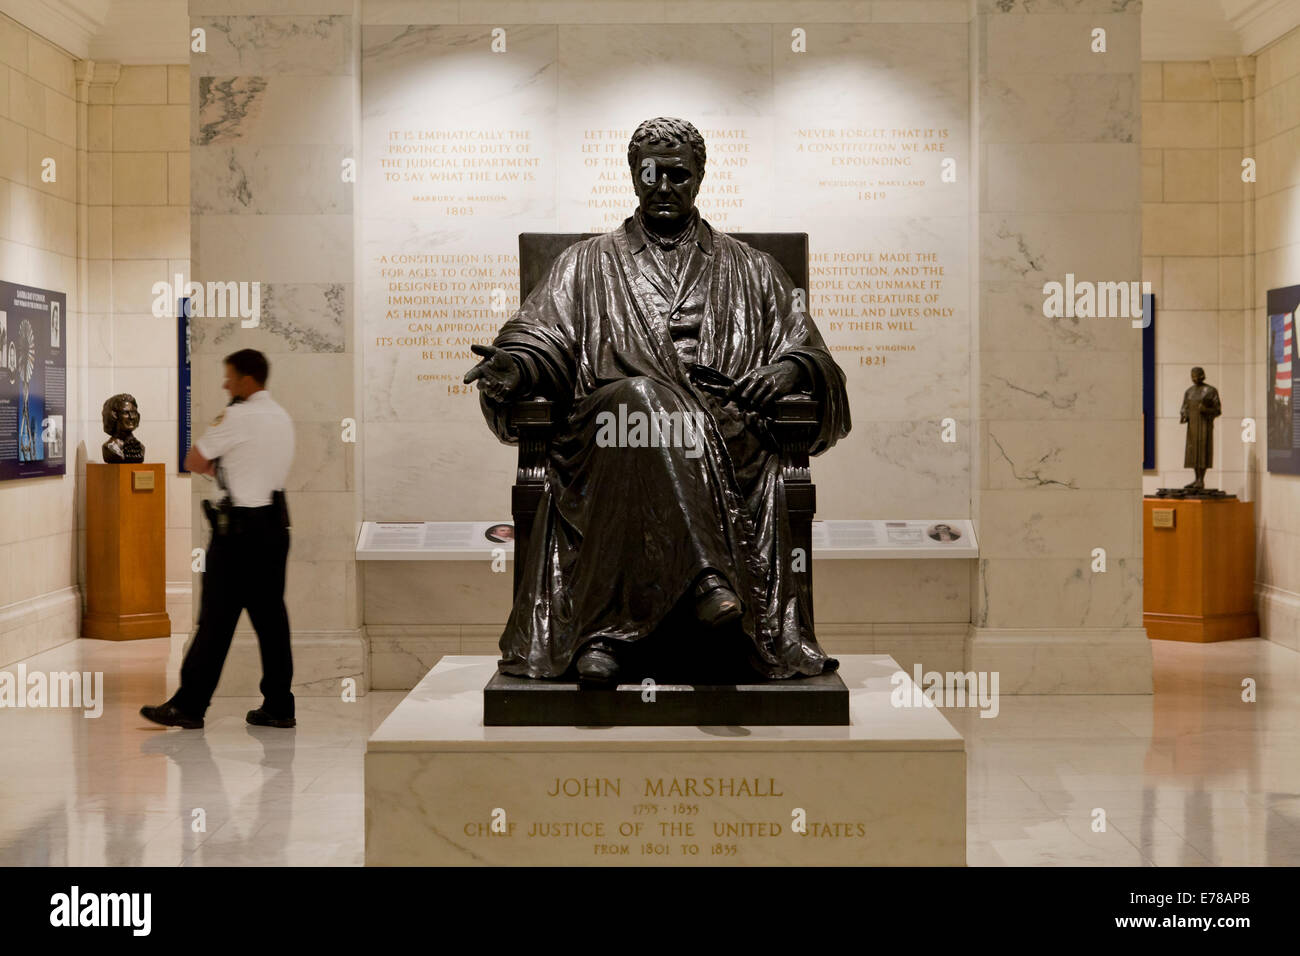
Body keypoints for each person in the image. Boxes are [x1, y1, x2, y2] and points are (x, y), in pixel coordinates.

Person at [465, 117, 851, 685]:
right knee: (637, 400)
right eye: (651, 174)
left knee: (648, 419)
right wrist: (515, 364)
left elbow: (820, 363)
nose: (663, 186)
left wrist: (789, 366)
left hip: (721, 430)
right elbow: (541, 334)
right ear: (632, 176)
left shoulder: (753, 269)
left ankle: (603, 640)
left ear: (699, 178)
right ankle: (705, 582)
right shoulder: (584, 263)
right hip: (607, 430)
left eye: (677, 174)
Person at [141, 349, 296, 729]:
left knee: (215, 620)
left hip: (238, 534)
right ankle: (279, 705)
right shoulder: (281, 416)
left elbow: (194, 459)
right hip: (275, 527)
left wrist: (221, 469)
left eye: (229, 377)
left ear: (246, 379)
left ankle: (189, 705)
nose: (225, 384)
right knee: (272, 621)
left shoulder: (238, 416)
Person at [1179, 366, 1221, 490]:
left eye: (1197, 375)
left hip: (1204, 425)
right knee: (1192, 452)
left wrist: (1206, 410)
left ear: (1202, 375)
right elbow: (1184, 406)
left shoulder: (1210, 391)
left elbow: (1218, 410)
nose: (1194, 378)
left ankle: (1201, 480)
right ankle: (1196, 479)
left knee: (1203, 451)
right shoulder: (1189, 391)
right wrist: (1184, 414)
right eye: (1192, 376)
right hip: (1192, 426)